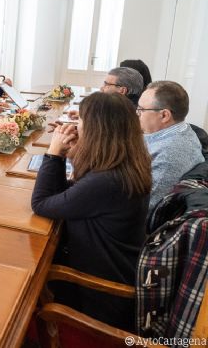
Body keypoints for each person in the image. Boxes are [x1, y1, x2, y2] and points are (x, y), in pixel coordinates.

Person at [32, 92, 151, 331]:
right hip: (111, 273)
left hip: (96, 299)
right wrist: (72, 153)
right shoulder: (124, 164)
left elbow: (42, 203)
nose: (77, 125)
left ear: (98, 129)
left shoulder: (107, 181)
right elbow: (70, 193)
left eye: (82, 121)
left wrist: (54, 152)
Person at [138, 81, 204, 208]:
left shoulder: (170, 155)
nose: (137, 114)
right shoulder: (181, 129)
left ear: (164, 115)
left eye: (141, 109)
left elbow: (146, 207)